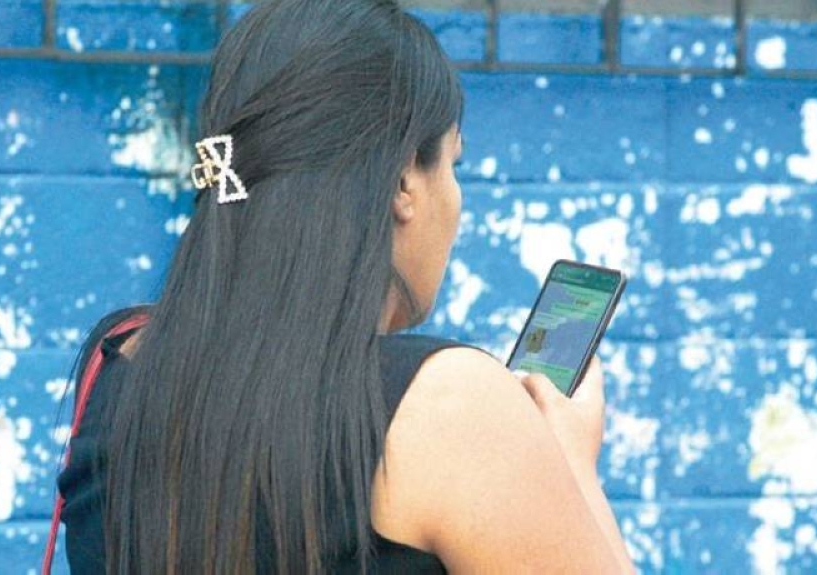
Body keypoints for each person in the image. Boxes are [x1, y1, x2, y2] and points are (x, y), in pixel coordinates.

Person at [55, 0, 635, 572]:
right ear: (404, 180)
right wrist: (571, 464)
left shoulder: (117, 363)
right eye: (452, 164)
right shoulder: (448, 405)